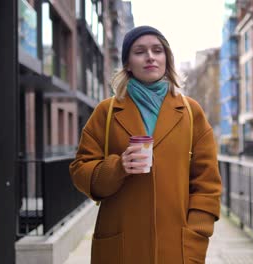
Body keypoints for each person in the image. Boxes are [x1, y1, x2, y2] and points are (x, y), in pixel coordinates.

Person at [69, 26, 222, 264]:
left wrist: (195, 238)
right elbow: (80, 171)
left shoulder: (192, 113)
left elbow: (207, 185)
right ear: (128, 63)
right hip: (120, 248)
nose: (150, 56)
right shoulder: (106, 112)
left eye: (157, 50)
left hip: (177, 249)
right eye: (140, 51)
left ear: (166, 59)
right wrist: (118, 167)